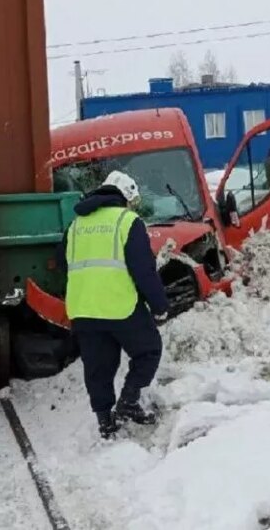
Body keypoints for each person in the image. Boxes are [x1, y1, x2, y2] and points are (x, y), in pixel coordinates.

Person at [58, 171, 169, 439]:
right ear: (126, 196)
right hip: (120, 306)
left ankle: (105, 421)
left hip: (83, 309)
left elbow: (63, 264)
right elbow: (144, 270)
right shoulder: (127, 221)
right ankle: (129, 401)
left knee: (98, 367)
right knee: (149, 351)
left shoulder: (76, 226)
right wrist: (159, 305)